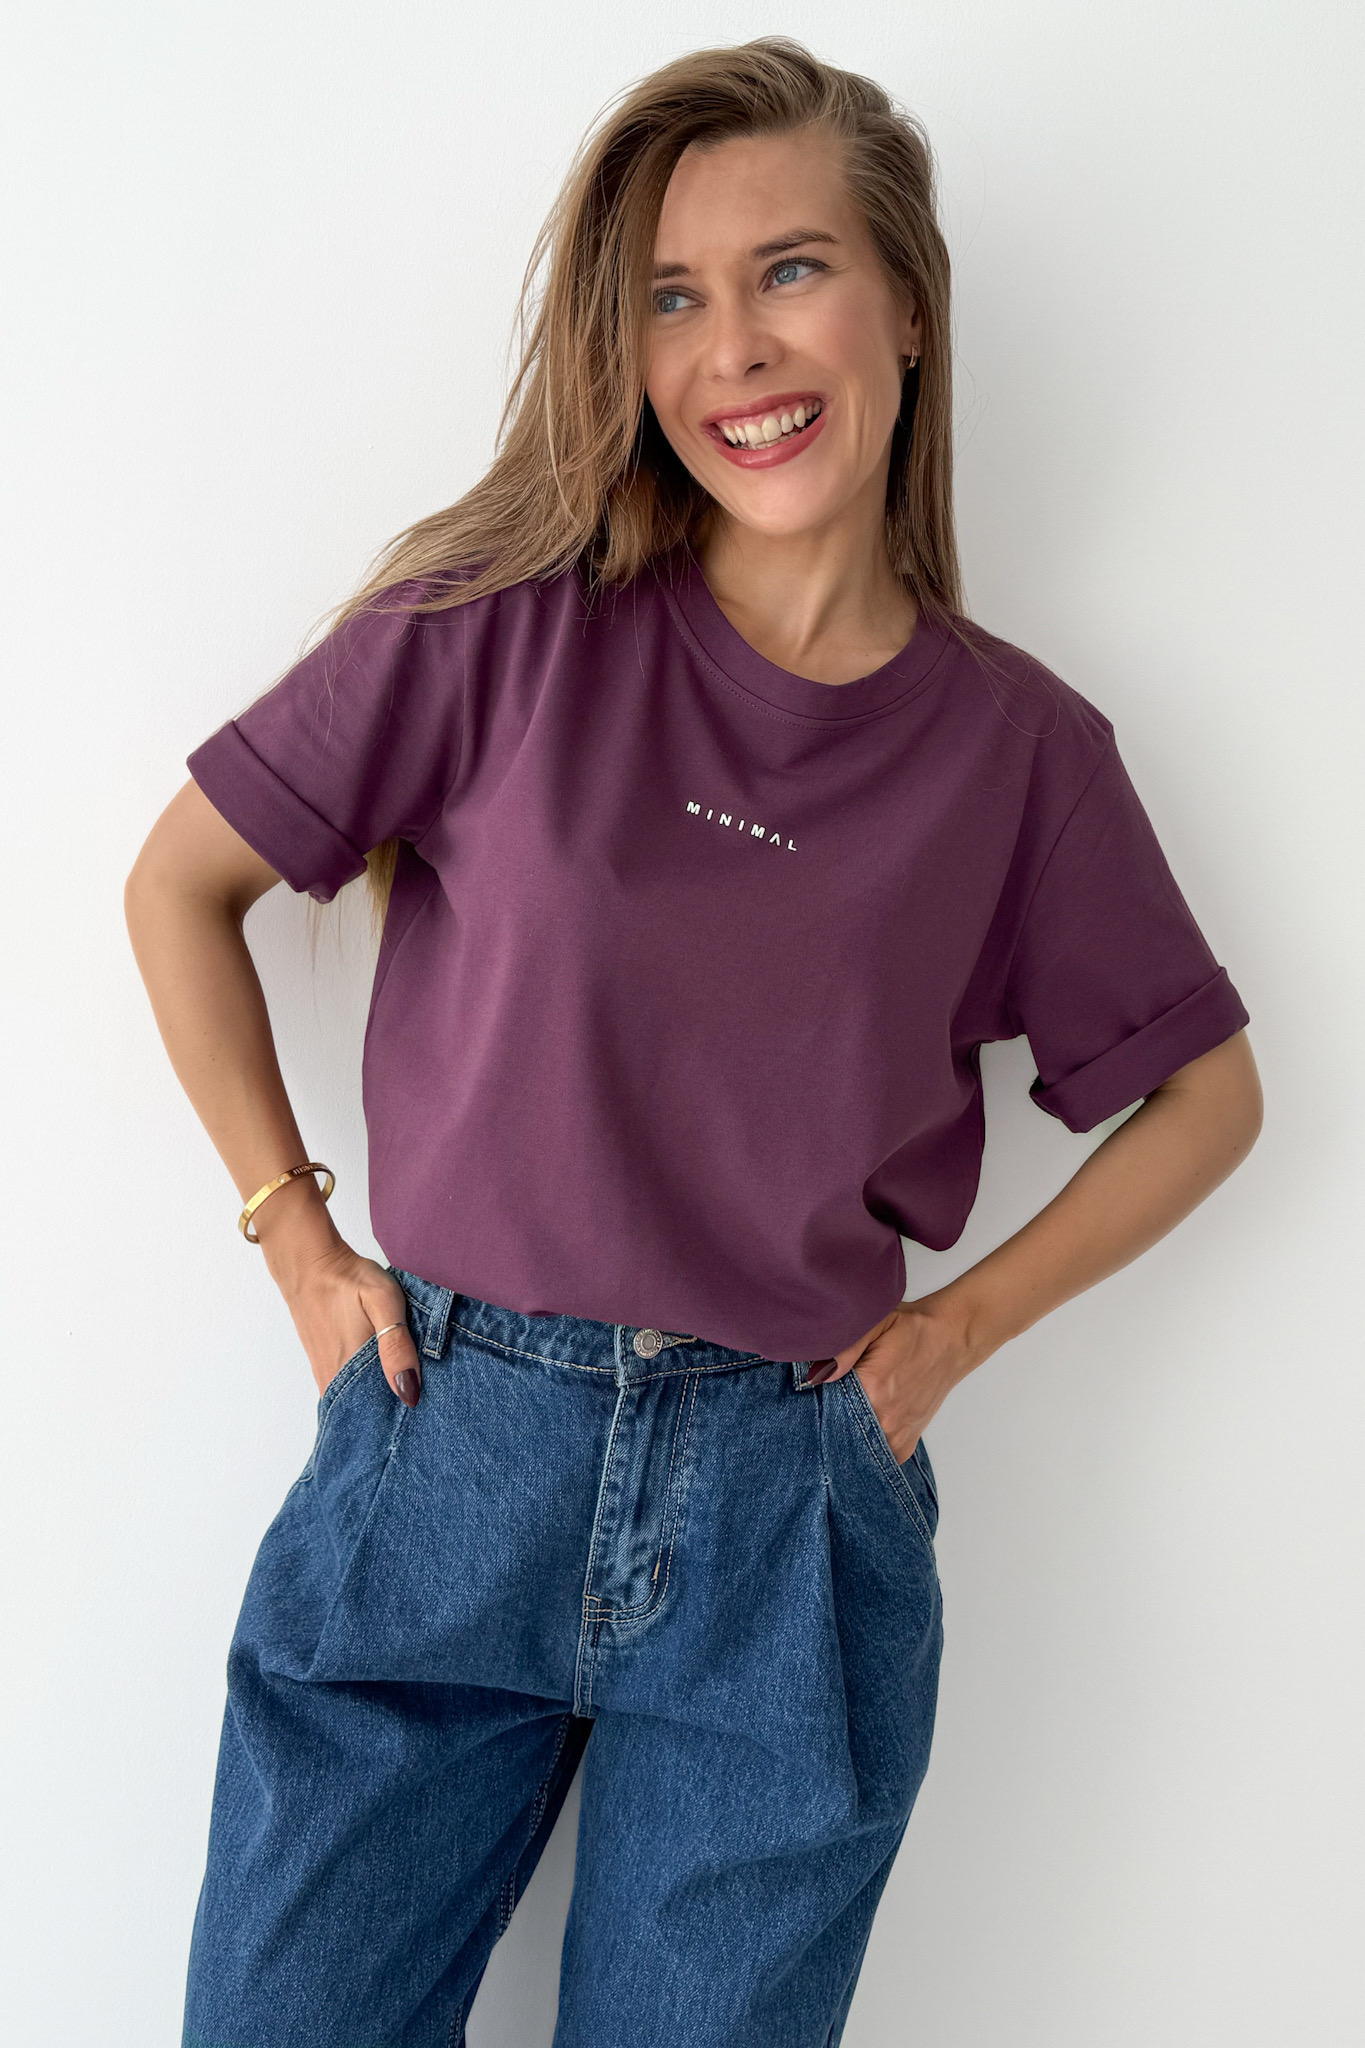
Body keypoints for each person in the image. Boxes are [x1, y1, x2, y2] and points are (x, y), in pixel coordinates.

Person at [125, 36, 1262, 2048]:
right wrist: (296, 1239)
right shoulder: (497, 625)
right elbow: (177, 886)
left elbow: (1206, 1095)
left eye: (788, 270)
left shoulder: (1023, 756)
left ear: (905, 305)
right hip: (449, 1442)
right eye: (671, 297)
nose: (734, 347)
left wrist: (953, 1332)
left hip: (783, 1509)